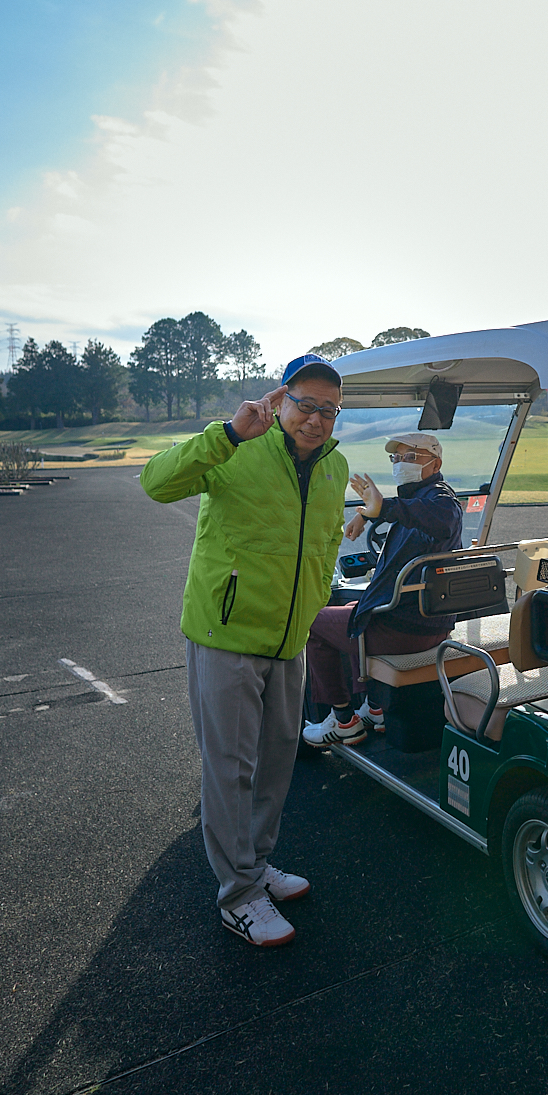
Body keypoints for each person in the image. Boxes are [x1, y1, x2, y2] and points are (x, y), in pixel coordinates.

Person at [141, 354, 350, 948]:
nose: (316, 419)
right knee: (231, 769)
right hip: (227, 637)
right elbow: (156, 483)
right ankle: (237, 895)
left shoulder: (335, 470)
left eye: (329, 410)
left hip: (289, 642)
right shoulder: (236, 447)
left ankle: (255, 869)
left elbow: (327, 545)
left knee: (276, 762)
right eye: (306, 404)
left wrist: (309, 612)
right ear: (281, 400)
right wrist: (230, 433)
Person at [302, 433, 463, 748]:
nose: (402, 464)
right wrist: (367, 513)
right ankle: (374, 708)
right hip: (426, 623)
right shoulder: (420, 500)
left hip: (407, 630)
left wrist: (382, 508)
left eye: (411, 457)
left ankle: (343, 719)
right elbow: (412, 512)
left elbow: (441, 518)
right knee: (355, 613)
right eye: (397, 458)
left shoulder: (441, 500)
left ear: (436, 464)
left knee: (314, 622)